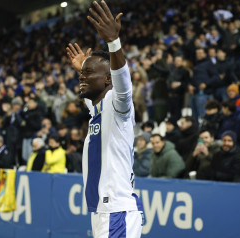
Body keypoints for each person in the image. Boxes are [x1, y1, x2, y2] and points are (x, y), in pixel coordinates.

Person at [66, 1, 143, 236]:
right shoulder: (98, 110)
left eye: (89, 74)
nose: (82, 77)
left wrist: (113, 43)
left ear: (108, 80)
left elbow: (123, 85)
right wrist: (83, 67)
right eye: (81, 74)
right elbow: (90, 102)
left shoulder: (117, 105)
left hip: (116, 212)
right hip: (105, 211)